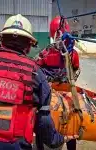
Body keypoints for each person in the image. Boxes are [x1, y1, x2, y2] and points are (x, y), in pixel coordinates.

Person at [0, 14, 78, 150]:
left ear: (1, 40)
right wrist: (59, 139)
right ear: (29, 45)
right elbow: (43, 124)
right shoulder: (35, 73)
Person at [35, 16, 80, 150]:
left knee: (41, 119)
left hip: (49, 94)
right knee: (71, 121)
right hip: (66, 91)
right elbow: (76, 69)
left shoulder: (45, 53)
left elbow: (36, 68)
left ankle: (40, 145)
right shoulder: (73, 54)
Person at [36, 16, 80, 83]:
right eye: (57, 37)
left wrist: (70, 79)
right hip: (48, 85)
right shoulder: (46, 53)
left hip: (63, 86)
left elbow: (76, 69)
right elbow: (36, 68)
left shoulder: (72, 54)